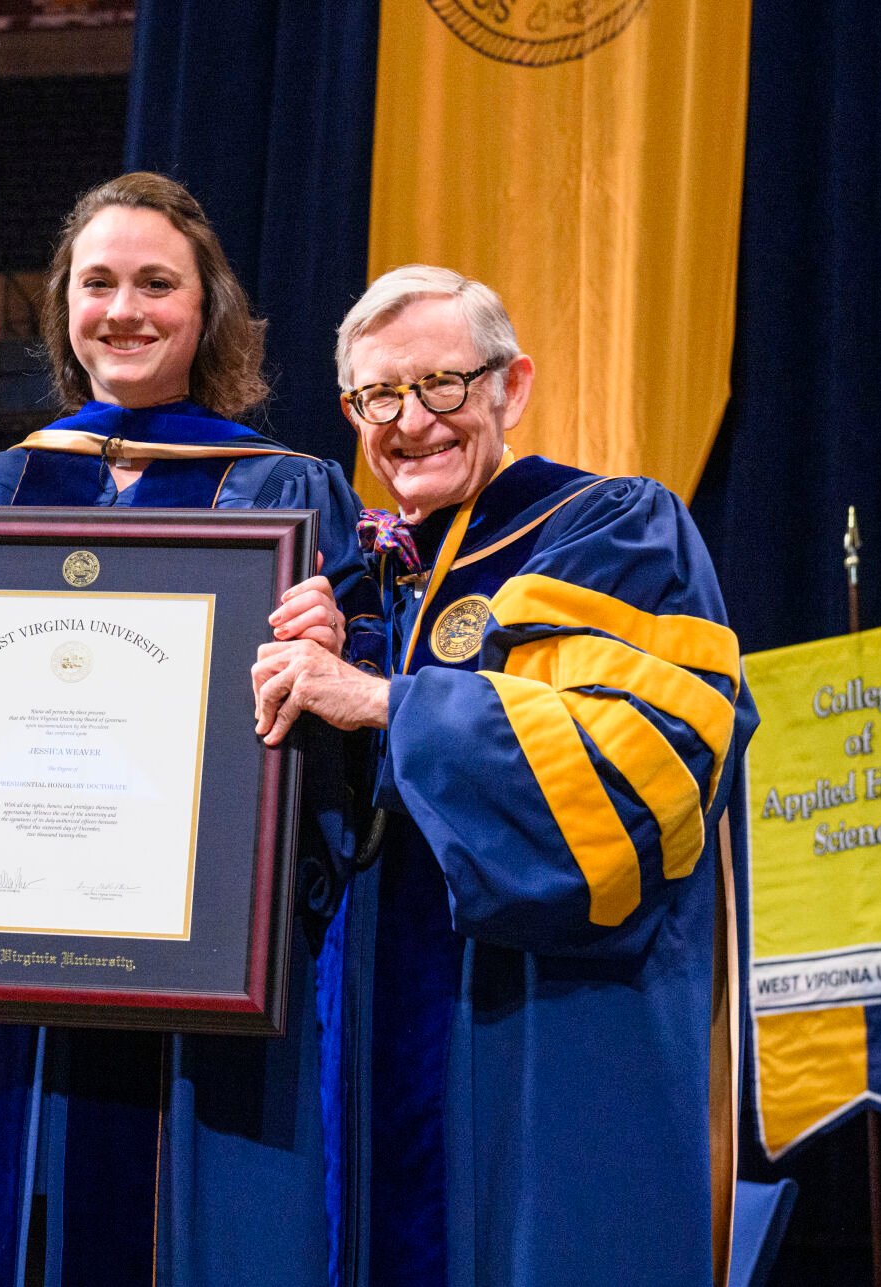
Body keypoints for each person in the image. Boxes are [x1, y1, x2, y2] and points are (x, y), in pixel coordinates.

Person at [0, 172, 365, 1286]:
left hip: (202, 984)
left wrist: (343, 655)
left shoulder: (285, 492)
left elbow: (350, 771)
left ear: (206, 309)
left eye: (156, 284)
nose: (124, 309)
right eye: (98, 283)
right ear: (63, 309)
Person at [249, 265, 757, 1286]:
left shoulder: (611, 533)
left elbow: (639, 773)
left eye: (441, 384)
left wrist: (386, 702)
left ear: (509, 387)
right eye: (377, 397)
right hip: (361, 1047)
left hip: (551, 1039)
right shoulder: (348, 582)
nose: (410, 422)